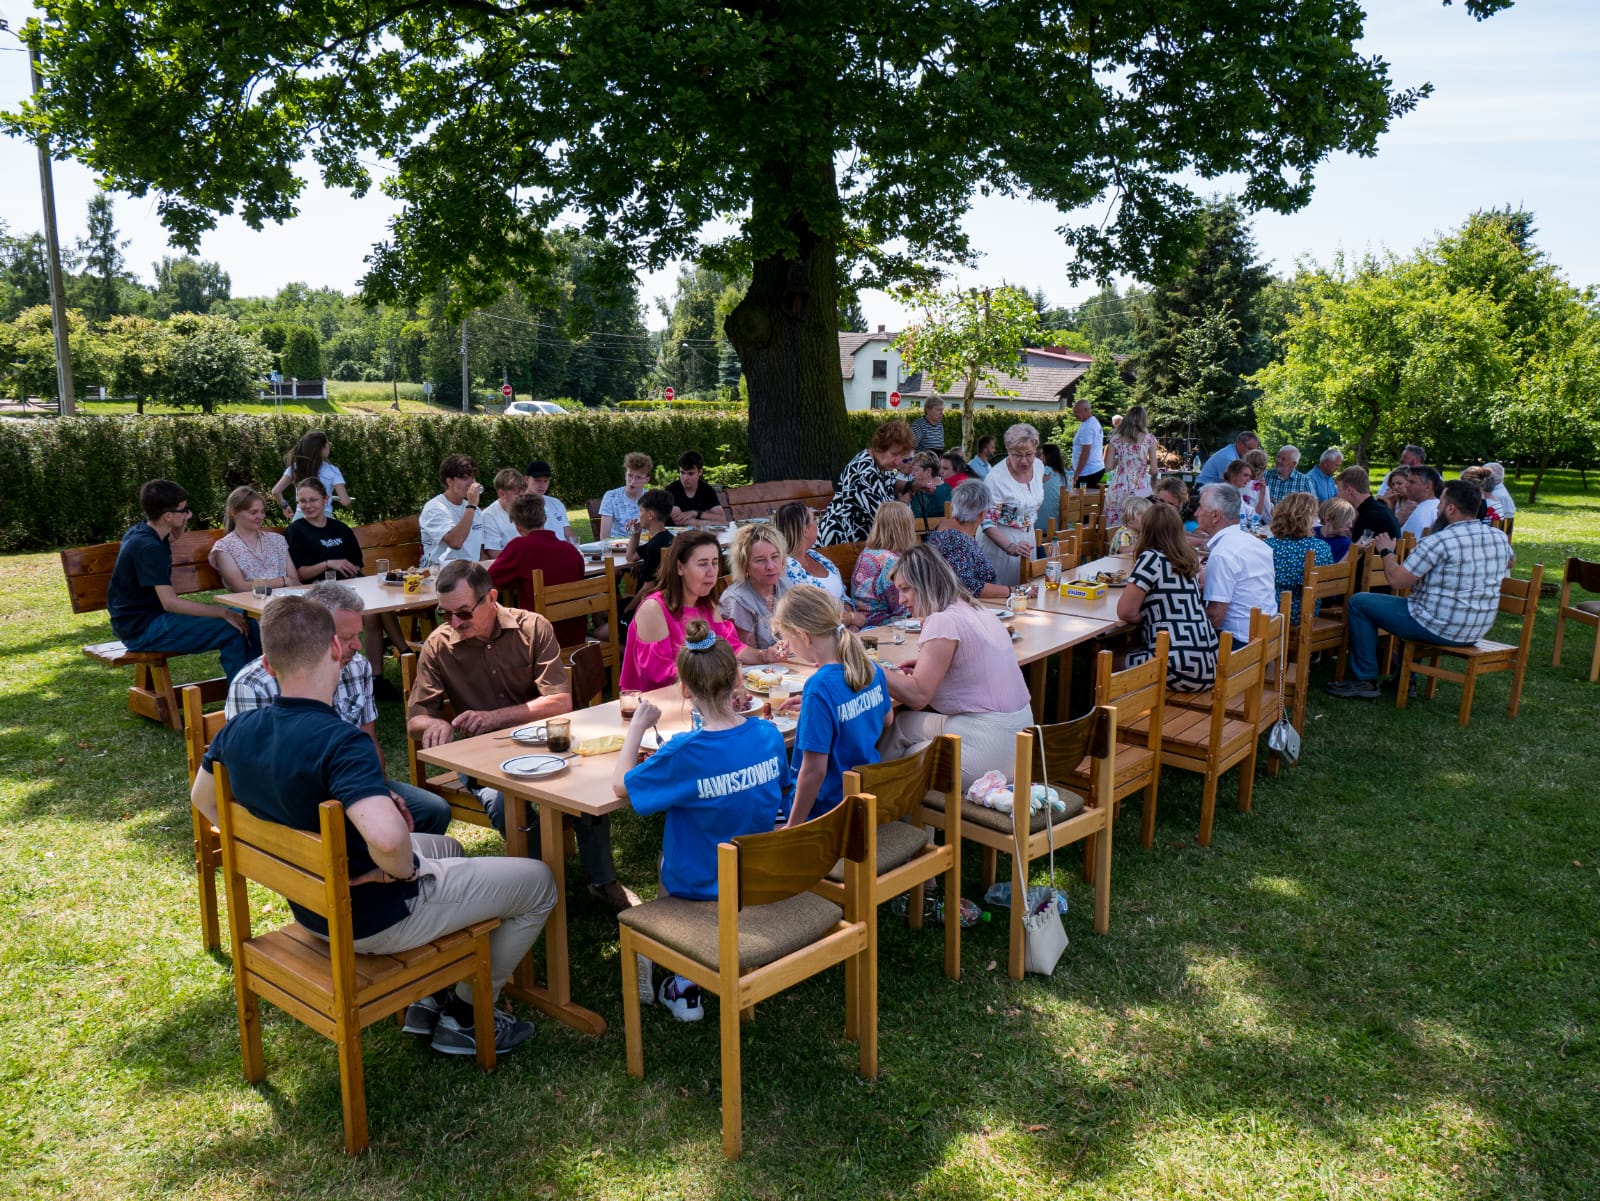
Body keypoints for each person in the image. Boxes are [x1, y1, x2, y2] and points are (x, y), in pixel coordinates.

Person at [196, 594, 556, 1056]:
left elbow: (204, 800)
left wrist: (314, 860)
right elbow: (387, 841)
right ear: (333, 648)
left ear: (268, 665)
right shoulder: (341, 743)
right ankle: (466, 1018)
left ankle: (434, 992)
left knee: (449, 850)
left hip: (313, 909)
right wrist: (402, 871)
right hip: (373, 918)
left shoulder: (235, 732)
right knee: (540, 882)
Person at [407, 561, 635, 910]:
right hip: (482, 759)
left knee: (585, 785)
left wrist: (494, 717)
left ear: (491, 598)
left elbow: (560, 701)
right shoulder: (439, 645)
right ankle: (541, 888)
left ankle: (603, 881)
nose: (454, 623)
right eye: (445, 614)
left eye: (463, 612)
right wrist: (433, 724)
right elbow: (415, 720)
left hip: (542, 744)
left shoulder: (532, 627)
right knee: (504, 803)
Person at [613, 620, 791, 1021]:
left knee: (665, 858)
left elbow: (621, 787)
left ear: (684, 688)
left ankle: (684, 978)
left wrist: (636, 728)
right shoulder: (768, 735)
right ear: (737, 679)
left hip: (700, 885)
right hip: (756, 876)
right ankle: (682, 968)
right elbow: (780, 789)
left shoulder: (683, 753)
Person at [225, 581, 452, 834]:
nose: (358, 646)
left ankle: (396, 870)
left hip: (352, 784)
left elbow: (369, 740)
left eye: (358, 635)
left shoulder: (358, 666)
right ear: (314, 635)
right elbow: (259, 776)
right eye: (347, 638)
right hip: (294, 803)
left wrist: (375, 789)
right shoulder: (254, 685)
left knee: (433, 811)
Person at [1326, 479, 1513, 699]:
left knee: (1360, 602)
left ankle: (1365, 679)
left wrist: (1387, 552)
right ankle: (1406, 679)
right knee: (1416, 605)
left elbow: (1397, 581)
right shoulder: (1499, 537)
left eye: (1441, 503)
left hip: (1439, 625)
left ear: (1451, 509)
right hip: (1475, 627)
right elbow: (1511, 561)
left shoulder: (1438, 541)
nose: (1437, 508)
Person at [880, 545, 1033, 787]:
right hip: (1020, 737)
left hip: (988, 743)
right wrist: (928, 665)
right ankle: (879, 802)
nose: (901, 599)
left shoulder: (942, 620)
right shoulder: (978, 609)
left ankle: (871, 801)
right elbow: (974, 662)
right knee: (908, 737)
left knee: (908, 747)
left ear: (926, 583)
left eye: (905, 589)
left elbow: (918, 697)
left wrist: (872, 669)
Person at [108, 479, 255, 681]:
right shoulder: (148, 547)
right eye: (184, 510)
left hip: (148, 619)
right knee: (231, 628)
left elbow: (174, 537)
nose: (188, 513)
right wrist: (223, 612)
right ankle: (244, 701)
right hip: (141, 630)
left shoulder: (146, 530)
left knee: (251, 617)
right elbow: (170, 603)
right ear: (168, 516)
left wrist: (181, 521)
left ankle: (259, 687)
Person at [773, 585, 892, 826]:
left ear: (804, 636)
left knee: (758, 811)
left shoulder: (819, 687)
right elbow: (887, 719)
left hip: (827, 812)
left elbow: (814, 772)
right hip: (864, 795)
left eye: (788, 639)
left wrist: (793, 828)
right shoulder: (869, 666)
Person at [620, 529, 785, 691]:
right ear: (679, 567)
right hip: (656, 705)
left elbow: (732, 647)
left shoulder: (706, 604)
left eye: (714, 563)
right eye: (703, 564)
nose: (711, 572)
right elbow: (659, 674)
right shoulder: (654, 609)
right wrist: (717, 673)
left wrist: (763, 655)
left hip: (702, 696)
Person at [288, 476, 403, 672]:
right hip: (317, 592)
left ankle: (377, 675)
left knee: (377, 608)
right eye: (302, 501)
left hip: (350, 587)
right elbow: (299, 573)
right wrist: (328, 563)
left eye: (313, 500)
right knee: (371, 613)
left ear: (326, 500)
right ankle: (405, 653)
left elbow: (356, 564)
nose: (307, 505)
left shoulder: (340, 529)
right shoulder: (296, 531)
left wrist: (350, 572)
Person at [1115, 502, 1218, 691]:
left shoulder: (1151, 558)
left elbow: (1125, 612)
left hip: (1177, 669)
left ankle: (1100, 715)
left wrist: (1146, 617)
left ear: (1146, 530)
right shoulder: (1189, 559)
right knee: (1130, 649)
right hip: (1208, 665)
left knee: (1107, 659)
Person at [487, 494, 587, 645]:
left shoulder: (519, 548)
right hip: (576, 635)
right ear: (545, 519)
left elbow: (489, 580)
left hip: (539, 639)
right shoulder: (570, 550)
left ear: (518, 526)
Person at [1193, 483, 1278, 644]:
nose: (1196, 513)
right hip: (1266, 637)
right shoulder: (1257, 544)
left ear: (1215, 515)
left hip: (1239, 644)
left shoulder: (1223, 553)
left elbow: (1215, 617)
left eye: (1200, 507)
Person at [817, 419, 917, 545]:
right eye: (893, 454)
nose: (897, 461)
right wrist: (903, 505)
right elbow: (884, 517)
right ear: (879, 447)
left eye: (901, 455)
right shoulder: (863, 470)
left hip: (861, 543)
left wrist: (912, 485)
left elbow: (889, 487)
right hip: (840, 541)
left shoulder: (883, 466)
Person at [978, 422, 1045, 587]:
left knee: (1027, 593)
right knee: (1002, 597)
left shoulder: (1038, 466)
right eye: (1017, 455)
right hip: (1000, 544)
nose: (1024, 461)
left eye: (1029, 454)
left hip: (1027, 539)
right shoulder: (996, 478)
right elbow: (986, 522)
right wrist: (1010, 547)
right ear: (1008, 451)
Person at [777, 501, 862, 626]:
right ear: (805, 531)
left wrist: (851, 620)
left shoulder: (817, 556)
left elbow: (843, 596)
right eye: (814, 520)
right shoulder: (788, 569)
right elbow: (805, 613)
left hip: (848, 627)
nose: (817, 524)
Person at [924, 480, 1012, 601]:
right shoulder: (955, 540)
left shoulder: (949, 528)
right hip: (961, 609)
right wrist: (1012, 591)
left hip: (972, 605)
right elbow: (967, 586)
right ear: (982, 513)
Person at [209, 486, 296, 594]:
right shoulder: (224, 548)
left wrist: (285, 582)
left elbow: (294, 581)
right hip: (251, 606)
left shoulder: (277, 540)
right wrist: (282, 581)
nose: (260, 517)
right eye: (253, 512)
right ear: (234, 512)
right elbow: (240, 588)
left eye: (262, 512)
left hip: (286, 603)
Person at [718, 523, 791, 650]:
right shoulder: (737, 601)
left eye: (775, 556)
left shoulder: (785, 585)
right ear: (744, 564)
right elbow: (748, 656)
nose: (770, 566)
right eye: (760, 560)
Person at [1265, 492, 1333, 623]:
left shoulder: (1268, 546)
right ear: (1309, 519)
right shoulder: (1320, 547)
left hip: (1273, 611)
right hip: (1308, 611)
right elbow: (1327, 584)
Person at [850, 501, 917, 627]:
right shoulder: (891, 562)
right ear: (905, 528)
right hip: (883, 625)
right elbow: (902, 609)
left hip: (865, 620)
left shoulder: (868, 552)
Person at [419, 454, 485, 567]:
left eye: (473, 478)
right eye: (465, 479)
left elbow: (477, 552)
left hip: (471, 574)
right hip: (442, 575)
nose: (471, 484)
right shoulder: (434, 508)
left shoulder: (475, 510)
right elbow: (455, 542)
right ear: (450, 482)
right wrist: (471, 506)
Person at [269, 430, 351, 521]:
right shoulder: (333, 471)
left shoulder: (296, 468)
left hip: (300, 519)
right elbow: (345, 501)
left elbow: (276, 491)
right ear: (322, 448)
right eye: (328, 444)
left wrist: (284, 506)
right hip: (324, 519)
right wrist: (346, 500)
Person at [1104, 404, 1158, 525]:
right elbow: (1154, 470)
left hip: (1118, 487)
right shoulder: (1150, 439)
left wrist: (1122, 460)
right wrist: (1153, 482)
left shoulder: (1116, 439)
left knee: (1114, 527)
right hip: (1140, 488)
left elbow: (1108, 467)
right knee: (1137, 525)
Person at [624, 488, 676, 593]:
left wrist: (630, 608)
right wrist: (635, 532)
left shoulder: (654, 546)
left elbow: (648, 587)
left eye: (641, 510)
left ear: (651, 515)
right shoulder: (668, 538)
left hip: (648, 602)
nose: (639, 515)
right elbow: (631, 557)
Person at [1337, 466, 1401, 542]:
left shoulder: (1369, 516)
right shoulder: (1376, 509)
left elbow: (1358, 551)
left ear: (1349, 490)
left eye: (1339, 491)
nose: (1338, 495)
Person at [522, 460, 579, 546]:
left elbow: (568, 532)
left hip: (563, 553)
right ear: (526, 479)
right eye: (538, 481)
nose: (542, 485)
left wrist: (576, 548)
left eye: (546, 481)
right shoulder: (519, 506)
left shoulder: (556, 503)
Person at [598, 452, 652, 539]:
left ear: (646, 479)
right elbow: (604, 537)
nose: (633, 481)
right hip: (616, 547)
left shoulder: (651, 498)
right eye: (630, 475)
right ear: (625, 475)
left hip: (644, 548)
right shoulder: (611, 496)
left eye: (638, 477)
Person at [666, 450, 727, 525]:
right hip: (674, 535)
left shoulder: (707, 490)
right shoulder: (671, 490)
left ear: (700, 472)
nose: (685, 478)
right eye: (682, 473)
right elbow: (679, 521)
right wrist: (707, 522)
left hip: (699, 534)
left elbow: (722, 518)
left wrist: (695, 513)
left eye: (690, 473)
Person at [479, 467, 526, 556]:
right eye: (517, 493)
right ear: (502, 494)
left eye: (523, 492)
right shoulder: (489, 516)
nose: (522, 496)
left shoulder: (526, 509)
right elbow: (494, 553)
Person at [1196, 431, 1261, 487]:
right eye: (1250, 449)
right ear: (1240, 444)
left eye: (1254, 450)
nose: (1252, 453)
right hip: (1204, 492)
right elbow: (1232, 484)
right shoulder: (1228, 458)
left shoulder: (1235, 454)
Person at [906, 451, 953, 522]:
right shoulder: (948, 488)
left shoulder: (921, 491)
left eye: (916, 470)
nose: (912, 474)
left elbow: (915, 521)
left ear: (928, 471)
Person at [1069, 400, 1105, 487]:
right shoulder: (1094, 422)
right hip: (1095, 468)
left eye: (1077, 412)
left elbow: (1085, 452)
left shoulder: (1087, 427)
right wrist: (1073, 465)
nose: (1075, 415)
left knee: (1079, 499)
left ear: (1086, 410)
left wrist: (1077, 474)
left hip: (1087, 472)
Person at [1402, 467, 1443, 539]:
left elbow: (1408, 545)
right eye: (1407, 481)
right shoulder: (1438, 505)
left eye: (1412, 482)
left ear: (1428, 486)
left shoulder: (1422, 512)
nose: (1406, 485)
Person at [1034, 443, 1067, 536]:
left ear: (1046, 457)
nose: (1037, 457)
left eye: (1039, 454)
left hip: (1042, 526)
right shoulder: (1065, 475)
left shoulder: (1045, 471)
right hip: (1061, 524)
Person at [1317, 497, 1357, 563]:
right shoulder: (1311, 533)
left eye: (1351, 522)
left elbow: (1336, 570)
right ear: (1328, 520)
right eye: (1346, 522)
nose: (1350, 526)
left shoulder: (1344, 543)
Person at [1240, 448, 1274, 519]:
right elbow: (1268, 517)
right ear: (1264, 467)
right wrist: (1271, 506)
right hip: (1254, 526)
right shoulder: (1261, 487)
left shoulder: (1237, 483)